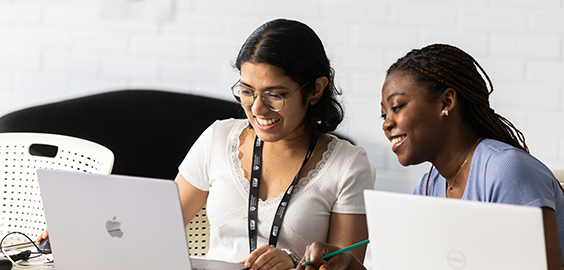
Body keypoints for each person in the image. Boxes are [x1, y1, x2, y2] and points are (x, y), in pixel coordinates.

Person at [299, 43, 564, 270]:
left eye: (397, 107)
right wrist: (351, 265)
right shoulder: (428, 189)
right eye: (384, 115)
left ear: (446, 102)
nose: (386, 124)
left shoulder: (506, 170)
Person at [173, 18, 373, 270]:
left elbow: (346, 266)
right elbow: (160, 228)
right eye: (247, 91)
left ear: (315, 90)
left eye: (274, 95)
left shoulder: (347, 165)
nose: (257, 108)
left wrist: (294, 261)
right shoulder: (217, 138)